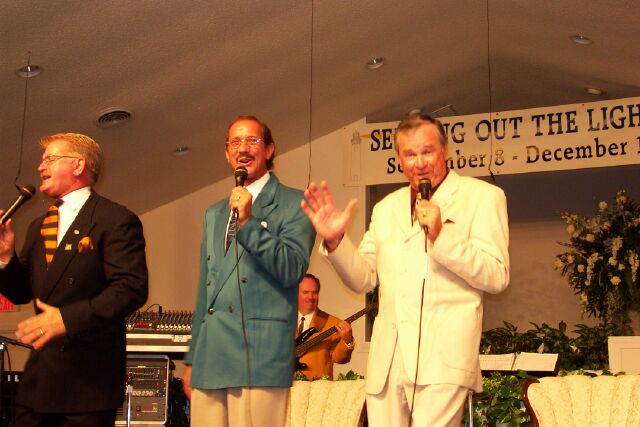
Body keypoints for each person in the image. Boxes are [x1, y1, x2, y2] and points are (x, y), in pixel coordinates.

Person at [301, 112, 510, 426]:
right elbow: (363, 278)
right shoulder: (386, 208)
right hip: (388, 362)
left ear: (445, 151)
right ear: (399, 159)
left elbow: (497, 275)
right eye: (410, 154)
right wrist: (335, 241)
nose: (419, 162)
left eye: (427, 152)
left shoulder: (481, 197)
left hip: (444, 359)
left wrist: (442, 235)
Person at [0, 132, 148, 427]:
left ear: (78, 165)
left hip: (88, 384)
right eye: (42, 161)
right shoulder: (38, 225)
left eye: (50, 159)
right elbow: (22, 292)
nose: (41, 166)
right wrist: (5, 258)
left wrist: (66, 320)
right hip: (39, 383)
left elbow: (130, 288)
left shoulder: (115, 219)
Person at [183, 115, 316, 427]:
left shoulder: (295, 203)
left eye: (252, 141)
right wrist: (193, 358)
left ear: (269, 150)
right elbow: (206, 289)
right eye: (235, 142)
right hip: (211, 357)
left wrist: (247, 222)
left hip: (260, 356)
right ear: (227, 154)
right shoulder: (214, 213)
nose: (242, 148)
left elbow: (292, 269)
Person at [295, 273, 354, 380]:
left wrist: (347, 341)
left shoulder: (333, 323)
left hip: (319, 388)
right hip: (286, 387)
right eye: (306, 292)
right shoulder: (282, 322)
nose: (311, 297)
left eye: (315, 292)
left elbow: (339, 359)